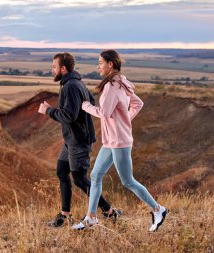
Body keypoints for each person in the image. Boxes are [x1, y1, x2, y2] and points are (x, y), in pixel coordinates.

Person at [72, 50, 168, 232]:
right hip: (112, 141)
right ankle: (91, 217)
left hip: (120, 141)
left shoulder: (112, 86)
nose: (98, 66)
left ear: (110, 64)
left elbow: (104, 113)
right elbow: (138, 104)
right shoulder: (121, 83)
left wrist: (85, 106)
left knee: (128, 181)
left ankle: (159, 209)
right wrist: (123, 121)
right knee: (95, 176)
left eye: (100, 62)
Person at [38, 52, 121, 227]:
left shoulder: (71, 86)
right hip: (71, 140)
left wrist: (48, 110)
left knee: (80, 179)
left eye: (54, 67)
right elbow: (89, 102)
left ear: (63, 68)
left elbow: (68, 115)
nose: (52, 70)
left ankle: (109, 211)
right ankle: (65, 215)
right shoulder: (74, 83)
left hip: (79, 141)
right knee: (62, 172)